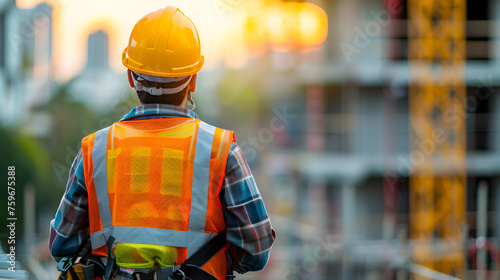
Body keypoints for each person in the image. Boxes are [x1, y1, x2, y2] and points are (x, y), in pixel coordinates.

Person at [49, 5, 275, 280]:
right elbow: (257, 250)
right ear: (193, 80)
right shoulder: (220, 150)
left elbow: (63, 243)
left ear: (131, 77)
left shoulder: (96, 150)